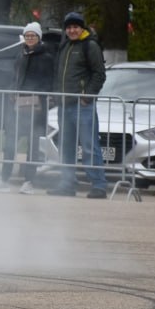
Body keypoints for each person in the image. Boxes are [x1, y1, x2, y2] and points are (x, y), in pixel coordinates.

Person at [0, 22, 56, 194]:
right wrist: (13, 91)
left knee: (33, 147)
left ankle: (29, 182)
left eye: (33, 35)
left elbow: (49, 83)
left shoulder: (47, 57)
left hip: (36, 108)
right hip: (17, 108)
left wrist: (34, 94)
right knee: (10, 143)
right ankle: (4, 179)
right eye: (27, 36)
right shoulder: (21, 55)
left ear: (39, 37)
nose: (30, 38)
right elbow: (15, 79)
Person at [48, 11, 107, 199]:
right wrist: (56, 96)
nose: (72, 30)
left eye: (75, 27)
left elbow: (99, 74)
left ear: (82, 28)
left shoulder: (90, 45)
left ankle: (98, 185)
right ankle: (67, 184)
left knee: (90, 146)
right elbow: (58, 74)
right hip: (64, 106)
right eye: (69, 27)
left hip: (83, 106)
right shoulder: (64, 45)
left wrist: (87, 97)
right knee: (66, 147)